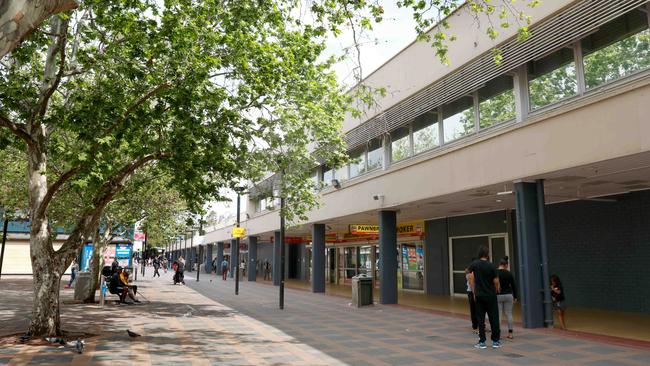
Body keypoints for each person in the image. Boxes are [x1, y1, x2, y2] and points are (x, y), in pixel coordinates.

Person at [469, 246, 501, 349]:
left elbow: (467, 271)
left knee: (480, 319)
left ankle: (482, 342)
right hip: (491, 295)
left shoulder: (475, 264)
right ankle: (496, 341)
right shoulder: (491, 266)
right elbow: (496, 281)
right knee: (494, 318)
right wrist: (496, 289)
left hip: (479, 295)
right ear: (487, 254)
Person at [497, 256, 517, 339]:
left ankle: (498, 334)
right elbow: (514, 286)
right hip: (509, 295)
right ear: (506, 265)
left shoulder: (495, 272)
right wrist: (515, 296)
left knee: (498, 314)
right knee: (509, 314)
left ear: (500, 264)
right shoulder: (509, 273)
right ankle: (510, 333)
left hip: (498, 295)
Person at [465, 261, 478, 333]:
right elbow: (472, 285)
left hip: (476, 292)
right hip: (471, 292)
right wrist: (474, 294)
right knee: (473, 310)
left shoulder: (474, 273)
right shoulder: (469, 274)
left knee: (478, 310)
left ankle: (480, 325)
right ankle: (475, 326)